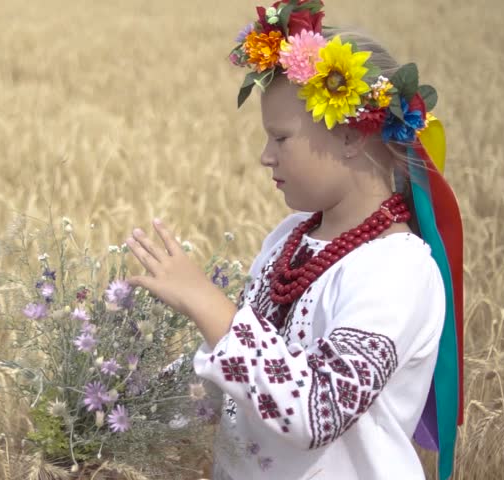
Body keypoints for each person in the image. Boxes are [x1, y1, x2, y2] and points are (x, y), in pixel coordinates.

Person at [123, 2, 464, 479]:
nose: (265, 156)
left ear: (348, 135)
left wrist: (205, 301)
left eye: (280, 138)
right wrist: (119, 412)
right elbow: (236, 375)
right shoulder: (289, 240)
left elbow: (317, 411)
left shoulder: (397, 270)